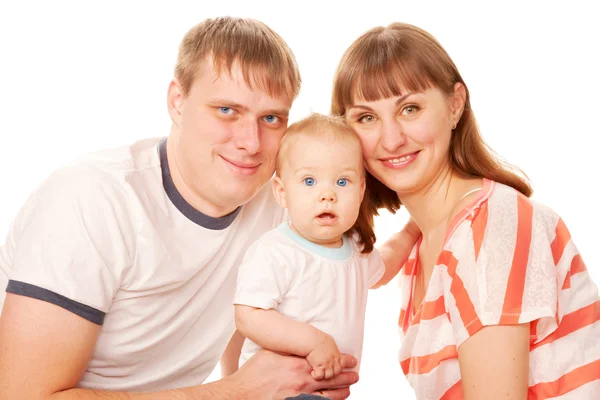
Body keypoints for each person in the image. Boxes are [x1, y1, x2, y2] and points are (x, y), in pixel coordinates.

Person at [0, 17, 360, 400]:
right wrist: (239, 391)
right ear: (177, 101)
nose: (251, 143)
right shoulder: (90, 201)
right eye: (226, 110)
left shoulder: (277, 198)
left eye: (271, 118)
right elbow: (23, 396)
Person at [331, 22, 600, 399]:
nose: (390, 139)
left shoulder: (489, 228)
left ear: (455, 105)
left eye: (410, 108)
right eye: (366, 118)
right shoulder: (426, 245)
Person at [220, 114, 418, 388]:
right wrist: (314, 341)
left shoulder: (356, 248)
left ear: (361, 190)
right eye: (310, 181)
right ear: (282, 192)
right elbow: (249, 316)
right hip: (279, 391)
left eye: (342, 182)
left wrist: (412, 229)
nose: (328, 194)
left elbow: (384, 265)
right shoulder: (275, 252)